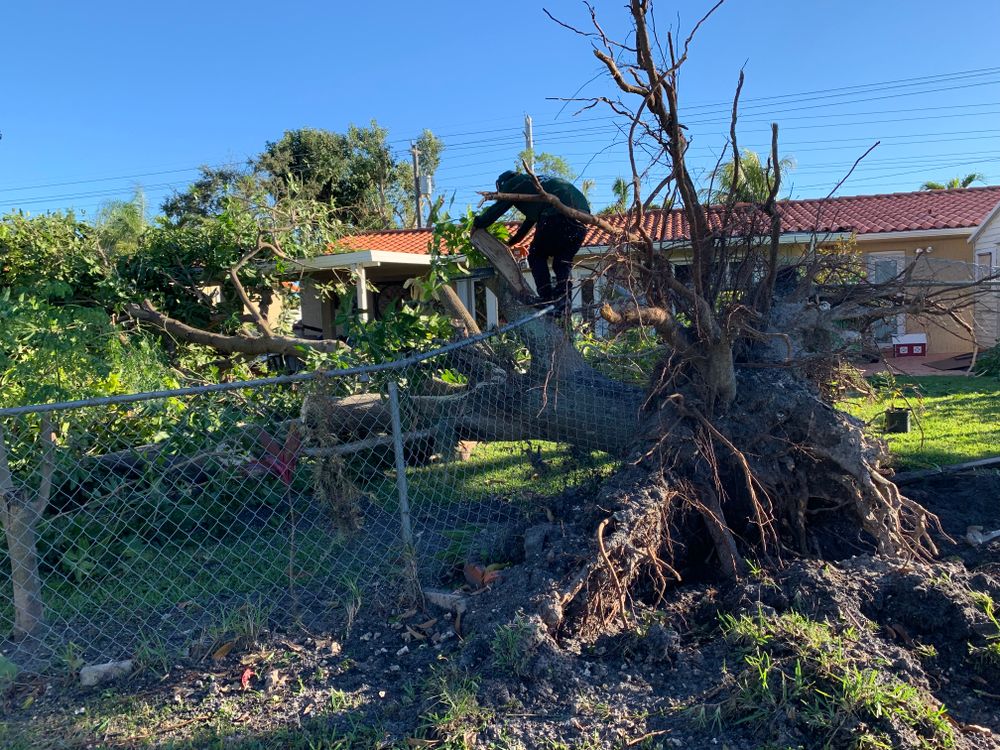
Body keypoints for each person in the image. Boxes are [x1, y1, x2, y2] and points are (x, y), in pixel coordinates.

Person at [473, 170, 590, 309]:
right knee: (562, 262)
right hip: (582, 221)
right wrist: (511, 243)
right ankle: (563, 302)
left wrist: (478, 224)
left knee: (536, 256)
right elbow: (528, 223)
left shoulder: (514, 183)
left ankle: (546, 299)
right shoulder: (532, 183)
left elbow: (498, 208)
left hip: (557, 215)